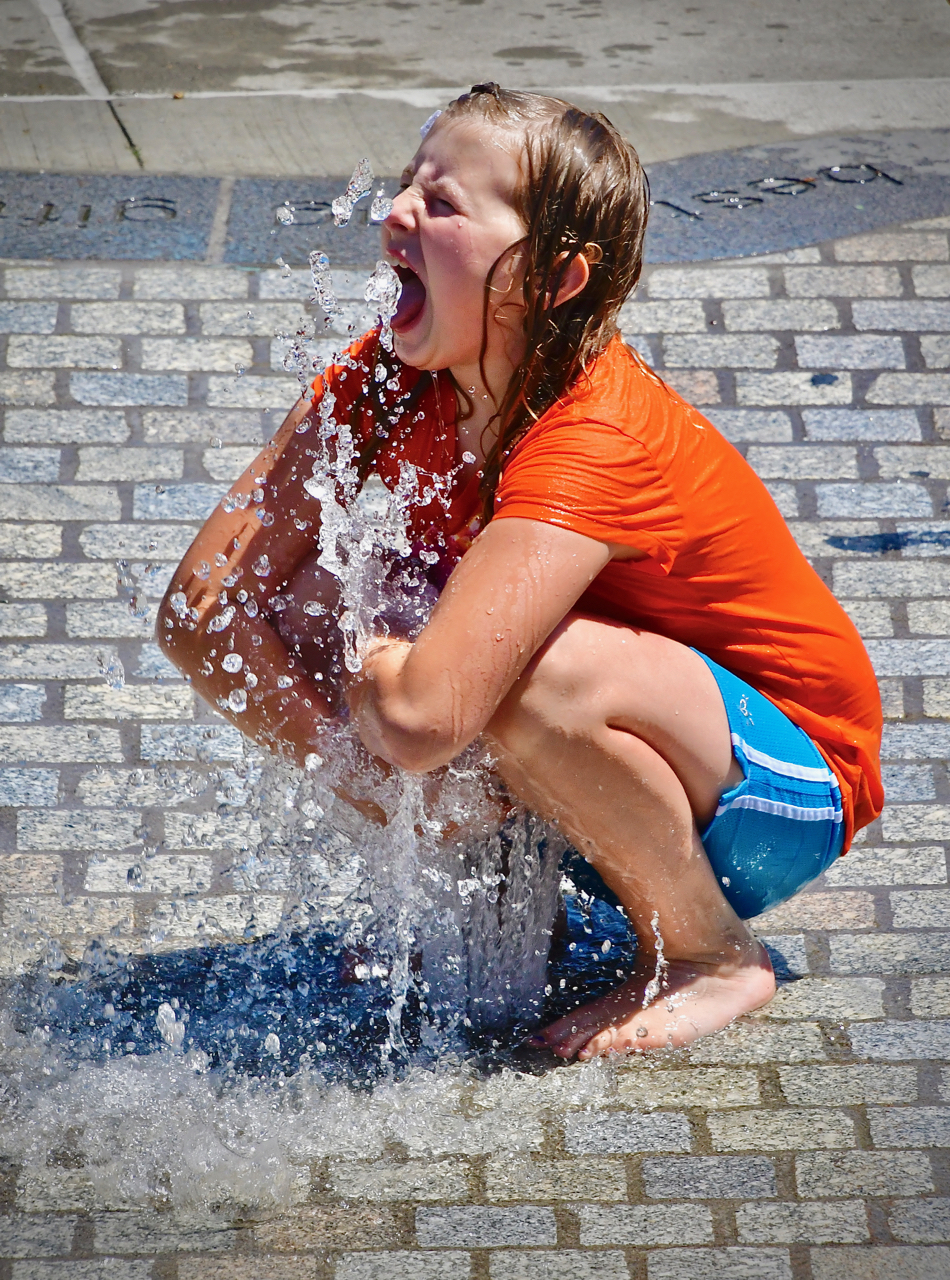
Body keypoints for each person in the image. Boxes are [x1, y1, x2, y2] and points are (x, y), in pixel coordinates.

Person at [158, 84, 883, 1061]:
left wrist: (373, 662)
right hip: (625, 763)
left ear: (549, 280)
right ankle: (504, 932)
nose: (394, 214)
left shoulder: (592, 433)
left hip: (780, 786)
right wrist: (355, 773)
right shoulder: (386, 380)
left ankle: (710, 952)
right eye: (408, 183)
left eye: (442, 203)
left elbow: (421, 718)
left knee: (503, 675)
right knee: (317, 596)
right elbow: (203, 606)